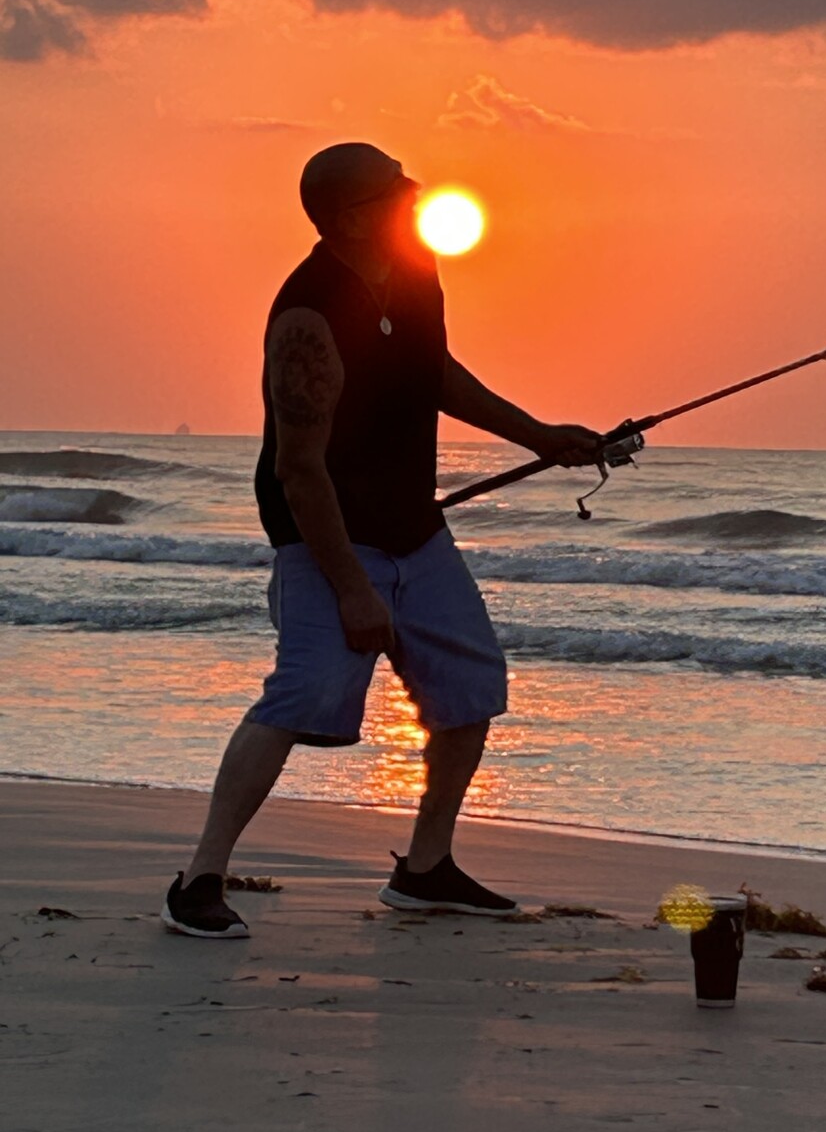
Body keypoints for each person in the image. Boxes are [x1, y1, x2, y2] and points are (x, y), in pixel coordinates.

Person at [162, 142, 600, 939]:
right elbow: (299, 472)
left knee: (469, 687)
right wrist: (353, 588)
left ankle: (426, 868)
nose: (412, 194)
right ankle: (200, 878)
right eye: (393, 189)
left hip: (414, 527)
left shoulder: (417, 266)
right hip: (324, 532)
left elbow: (433, 372)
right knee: (302, 696)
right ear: (352, 216)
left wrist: (539, 437)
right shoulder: (308, 315)